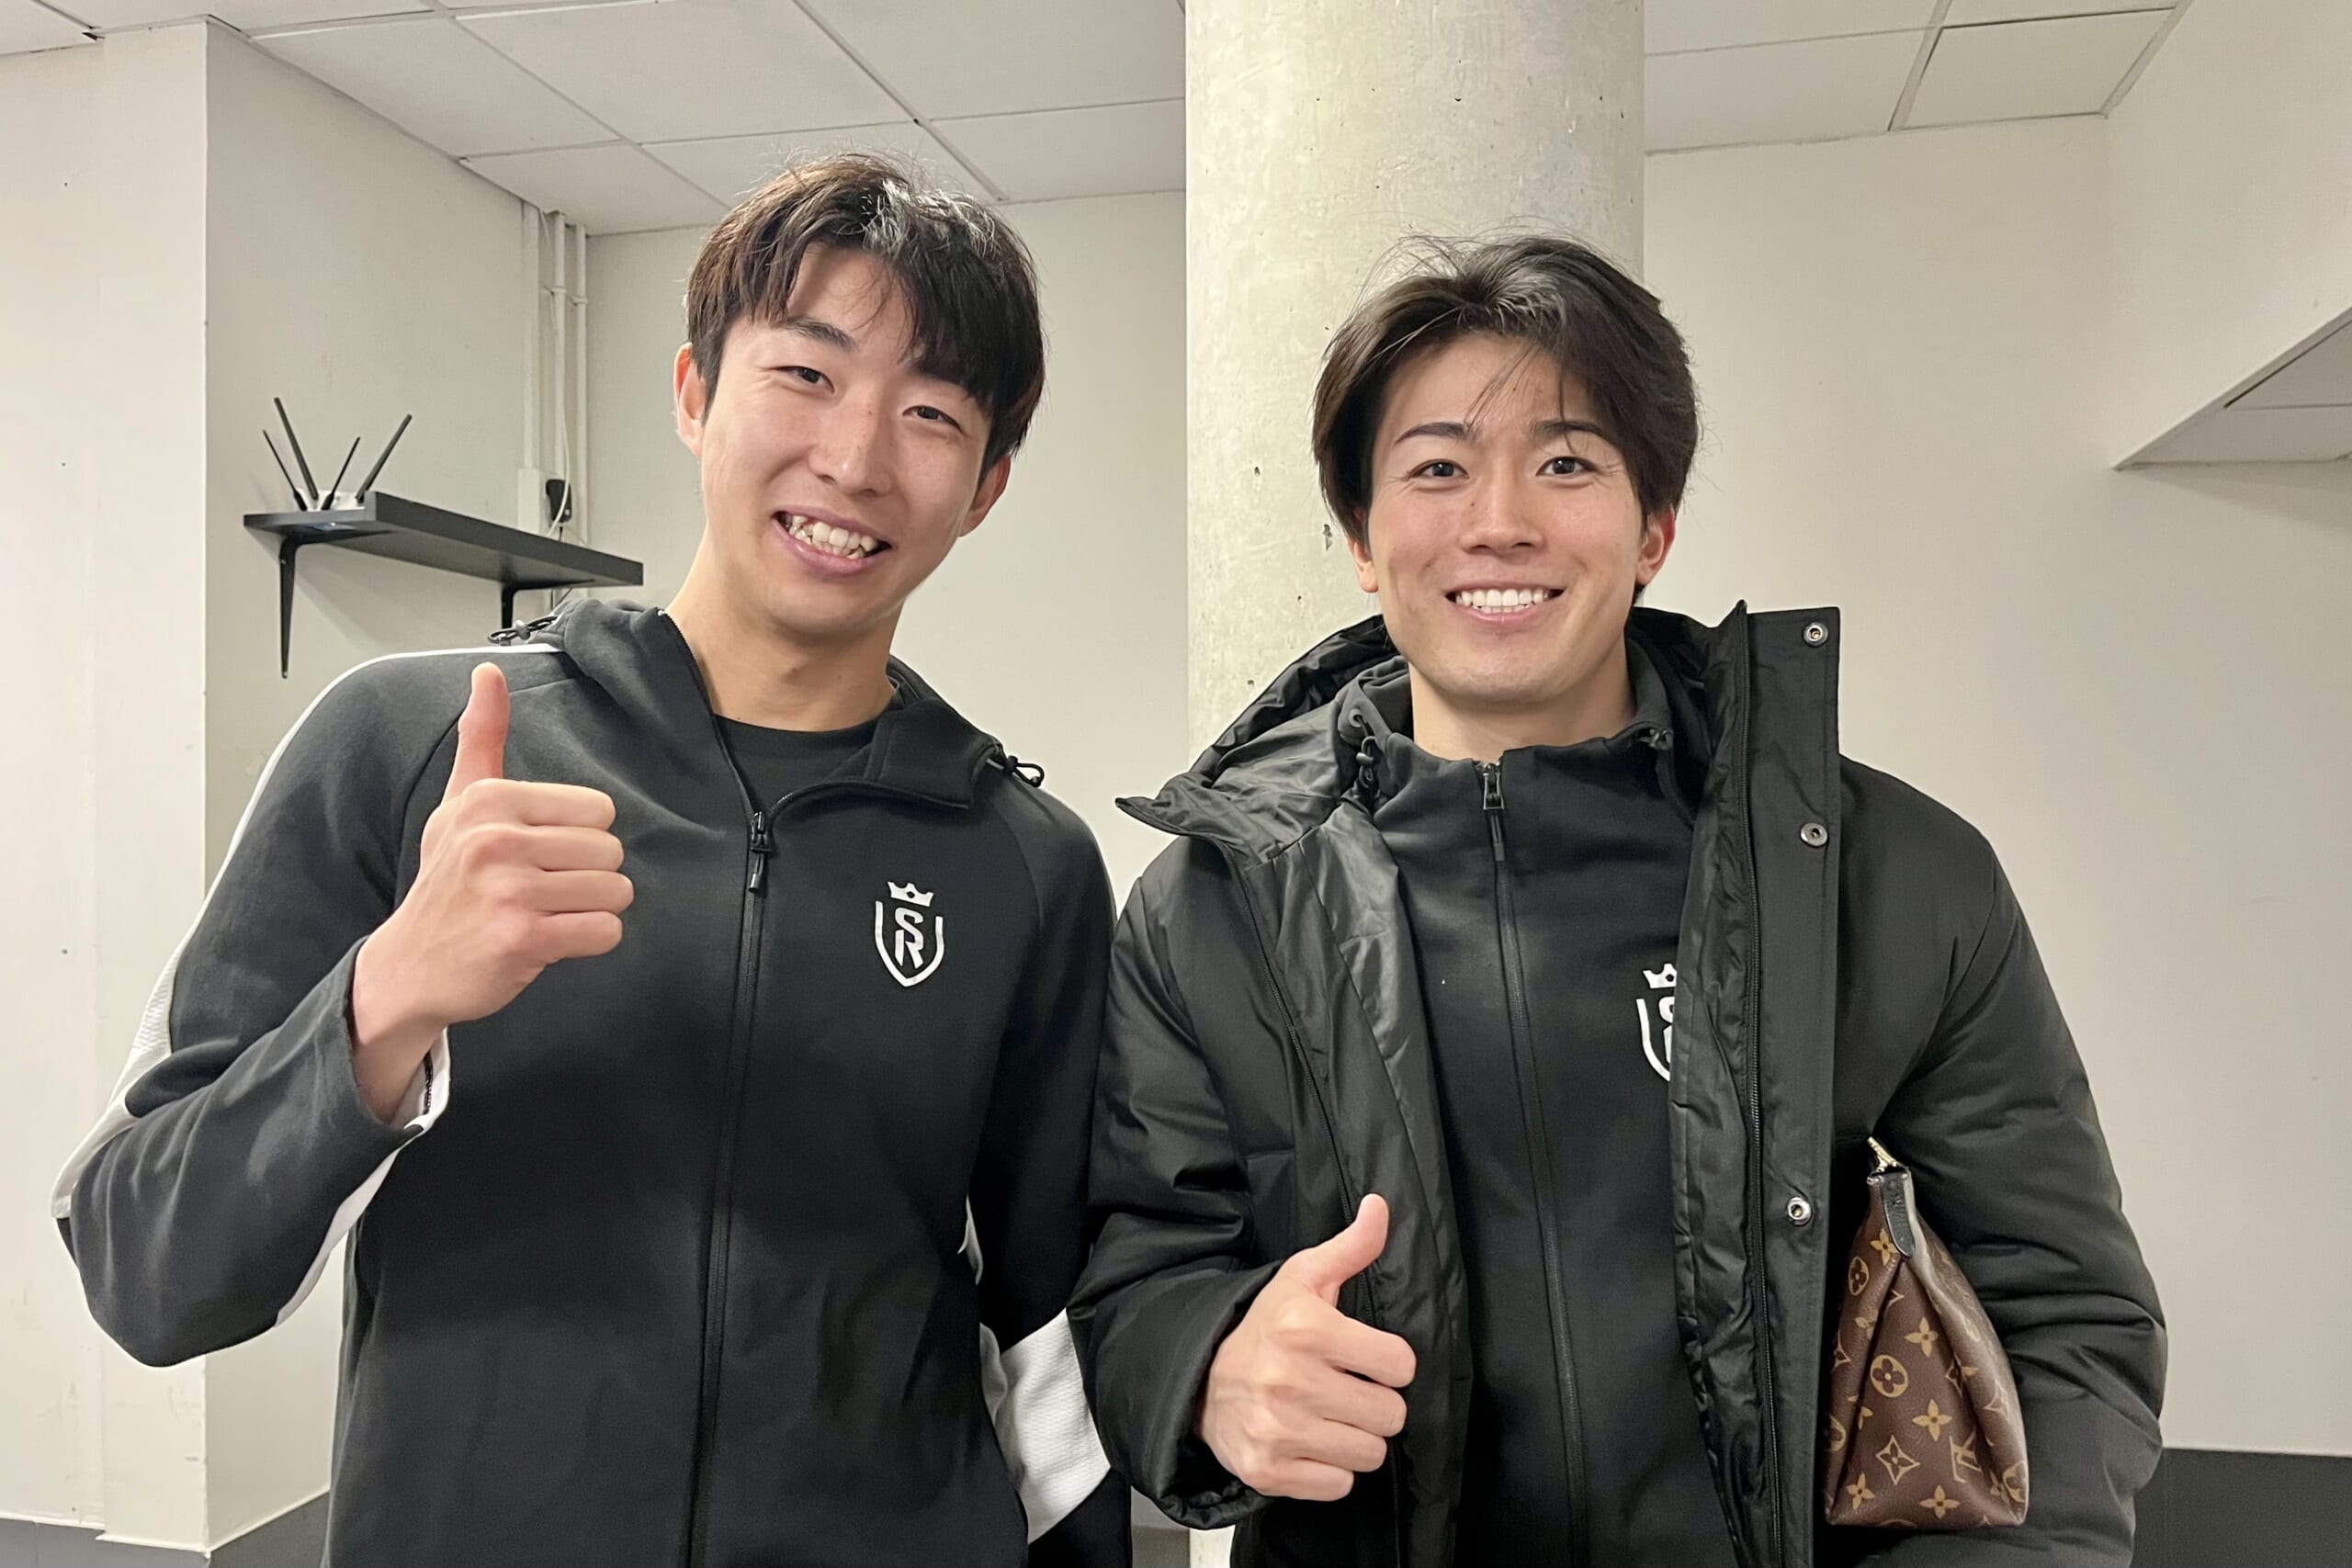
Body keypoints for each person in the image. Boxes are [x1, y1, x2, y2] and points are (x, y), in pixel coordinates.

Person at [56, 154, 1127, 1568]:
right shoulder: (407, 746)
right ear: (694, 393)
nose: (858, 457)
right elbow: (146, 1273)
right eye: (806, 375)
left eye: (931, 412)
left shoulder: (1024, 865)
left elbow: (1052, 1345)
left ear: (985, 487)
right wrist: (384, 1001)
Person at [1074, 235, 2164, 1566]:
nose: (1500, 521)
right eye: (1436, 469)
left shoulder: (1884, 873)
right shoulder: (1213, 909)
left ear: (1654, 529)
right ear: (1361, 537)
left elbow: (2064, 1317)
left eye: (1568, 463)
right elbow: (1140, 1271)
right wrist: (1209, 1369)